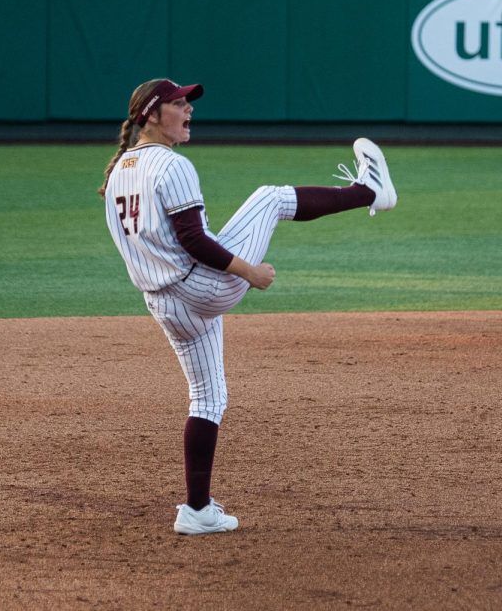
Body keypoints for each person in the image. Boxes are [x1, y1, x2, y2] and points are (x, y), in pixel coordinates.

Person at [98, 78, 397, 535]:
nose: (188, 111)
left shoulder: (120, 170)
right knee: (270, 198)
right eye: (179, 104)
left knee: (208, 397)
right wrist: (248, 272)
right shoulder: (169, 165)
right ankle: (370, 191)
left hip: (165, 304)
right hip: (204, 286)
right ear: (153, 115)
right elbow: (194, 240)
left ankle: (197, 510)